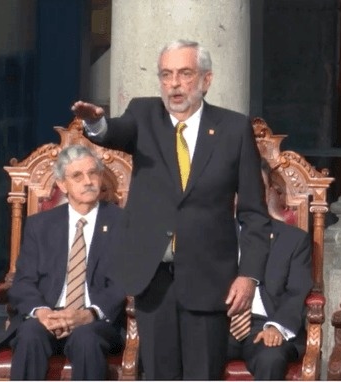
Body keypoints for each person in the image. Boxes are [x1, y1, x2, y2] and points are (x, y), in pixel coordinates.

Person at [70, 38, 271, 379]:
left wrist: (248, 275)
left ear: (206, 80)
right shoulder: (144, 114)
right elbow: (113, 131)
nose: (174, 84)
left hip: (210, 281)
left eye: (184, 73)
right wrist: (96, 124)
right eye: (166, 74)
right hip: (154, 278)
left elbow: (253, 213)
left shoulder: (234, 129)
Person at [0, 145, 126, 380]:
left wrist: (89, 314)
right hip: (47, 315)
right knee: (29, 333)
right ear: (62, 185)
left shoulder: (122, 223)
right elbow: (23, 281)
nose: (88, 181)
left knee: (86, 338)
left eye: (92, 173)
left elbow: (124, 281)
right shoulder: (40, 225)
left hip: (94, 319)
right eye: (77, 175)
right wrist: (42, 312)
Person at [227, 160, 313, 379]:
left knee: (271, 358)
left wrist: (276, 327)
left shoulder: (294, 240)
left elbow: (297, 291)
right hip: (220, 324)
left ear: (268, 193)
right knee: (187, 352)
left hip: (266, 325)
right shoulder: (213, 235)